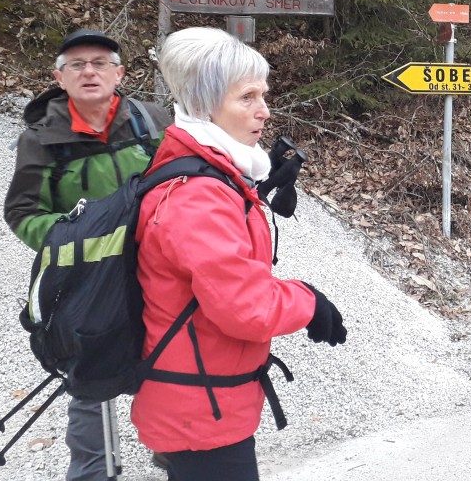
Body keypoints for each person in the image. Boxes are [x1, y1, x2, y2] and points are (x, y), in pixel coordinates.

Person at [132, 26, 347, 481]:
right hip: (199, 407)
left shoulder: (202, 170)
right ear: (202, 105)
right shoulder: (199, 195)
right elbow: (246, 307)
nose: (264, 111)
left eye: (263, 95)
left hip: (202, 395)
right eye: (247, 97)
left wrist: (258, 188)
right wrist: (309, 302)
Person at [4, 28, 172, 481]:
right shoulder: (42, 138)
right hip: (84, 279)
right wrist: (72, 239)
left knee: (167, 358)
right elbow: (21, 213)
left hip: (156, 269)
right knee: (89, 376)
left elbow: (182, 181)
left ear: (119, 73)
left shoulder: (153, 121)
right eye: (76, 65)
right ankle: (92, 473)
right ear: (60, 79)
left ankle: (174, 448)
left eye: (100, 62)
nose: (89, 71)